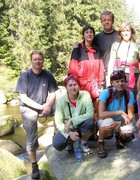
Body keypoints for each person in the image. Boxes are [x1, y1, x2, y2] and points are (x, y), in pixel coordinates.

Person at [16, 50, 58, 179]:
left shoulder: (48, 75)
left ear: (43, 60)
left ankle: (57, 137)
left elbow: (53, 94)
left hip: (44, 106)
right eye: (35, 59)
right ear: (31, 61)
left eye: (40, 59)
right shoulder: (25, 76)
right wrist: (41, 107)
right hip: (29, 108)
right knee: (31, 137)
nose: (38, 61)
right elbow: (23, 97)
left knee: (60, 108)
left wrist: (49, 105)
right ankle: (34, 165)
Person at [68, 24, 105, 122]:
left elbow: (101, 67)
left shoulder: (97, 49)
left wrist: (101, 82)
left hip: (95, 86)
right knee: (81, 110)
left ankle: (93, 132)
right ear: (83, 35)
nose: (89, 34)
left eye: (91, 32)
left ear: (94, 34)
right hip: (82, 86)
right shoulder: (77, 49)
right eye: (86, 32)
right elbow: (73, 68)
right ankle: (81, 133)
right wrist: (73, 86)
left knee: (95, 109)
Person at [96, 70, 135, 158]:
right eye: (117, 81)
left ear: (125, 82)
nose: (120, 84)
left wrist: (118, 123)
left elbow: (130, 116)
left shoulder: (129, 94)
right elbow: (101, 114)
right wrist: (120, 112)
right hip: (105, 121)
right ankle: (100, 142)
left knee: (130, 130)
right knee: (108, 122)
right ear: (112, 83)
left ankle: (119, 138)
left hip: (120, 122)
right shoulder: (105, 93)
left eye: (122, 81)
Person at [53, 75, 95, 155]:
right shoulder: (61, 101)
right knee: (57, 144)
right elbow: (58, 122)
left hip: (82, 125)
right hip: (68, 128)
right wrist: (69, 133)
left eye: (75, 85)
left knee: (90, 123)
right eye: (70, 85)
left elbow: (90, 114)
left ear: (79, 86)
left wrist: (72, 120)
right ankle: (70, 142)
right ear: (66, 87)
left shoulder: (85, 95)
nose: (73, 87)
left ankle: (83, 143)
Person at [108, 22, 140, 96]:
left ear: (131, 32)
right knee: (119, 96)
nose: (126, 33)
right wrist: (109, 79)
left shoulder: (137, 44)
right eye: (123, 31)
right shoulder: (115, 44)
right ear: (120, 33)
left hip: (133, 75)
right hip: (118, 74)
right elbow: (111, 62)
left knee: (132, 96)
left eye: (128, 30)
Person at [94, 10, 119, 86]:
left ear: (113, 21)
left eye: (109, 20)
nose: (106, 22)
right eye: (104, 20)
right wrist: (77, 44)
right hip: (102, 73)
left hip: (117, 72)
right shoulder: (96, 38)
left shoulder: (119, 36)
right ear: (101, 22)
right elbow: (86, 45)